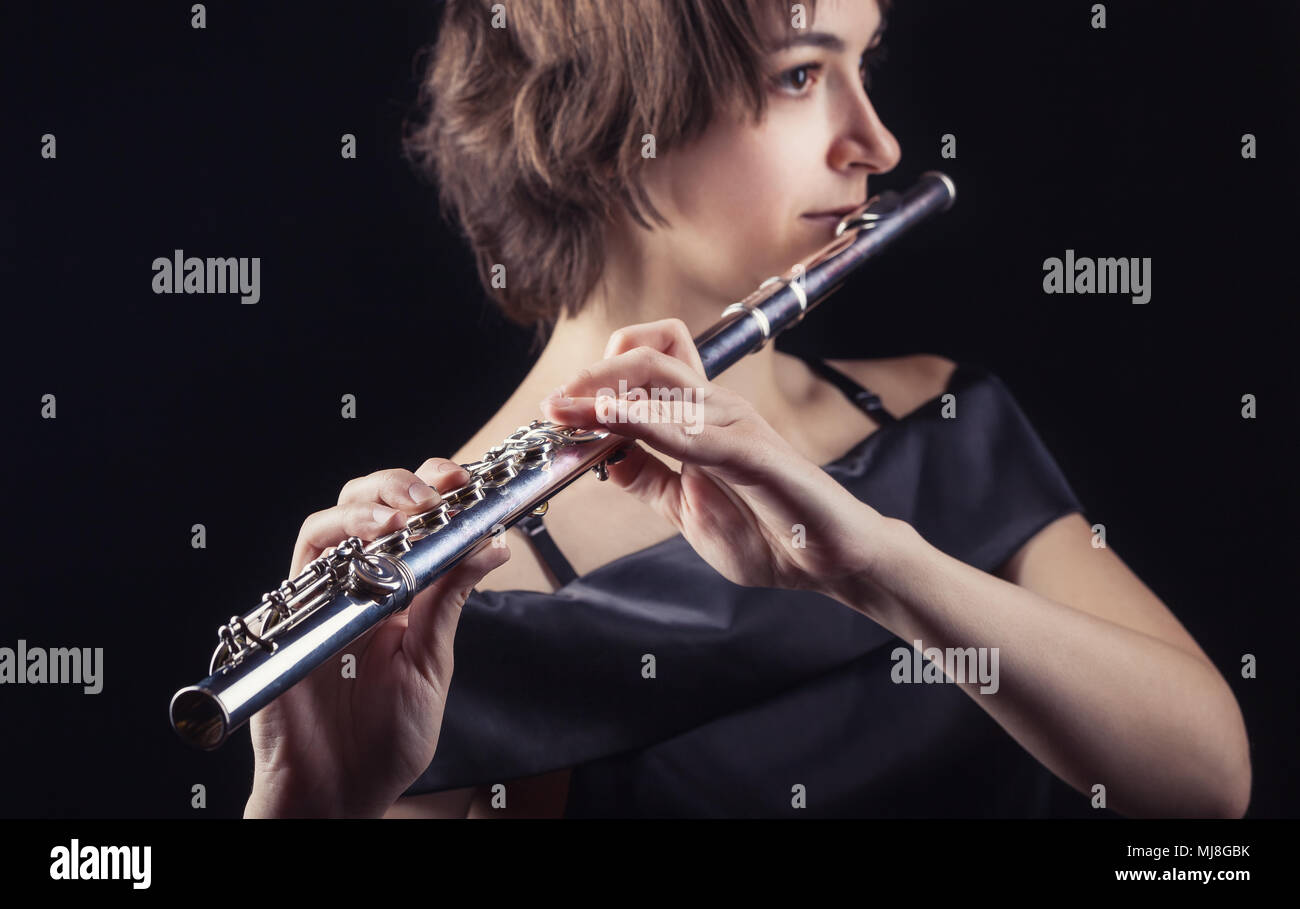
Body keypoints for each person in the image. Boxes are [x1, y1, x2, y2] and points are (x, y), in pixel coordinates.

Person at [243, 0, 1251, 819]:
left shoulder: (942, 419)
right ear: (604, 114)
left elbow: (1206, 790)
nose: (878, 144)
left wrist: (876, 564)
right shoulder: (447, 599)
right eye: (802, 75)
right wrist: (306, 806)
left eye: (864, 62)